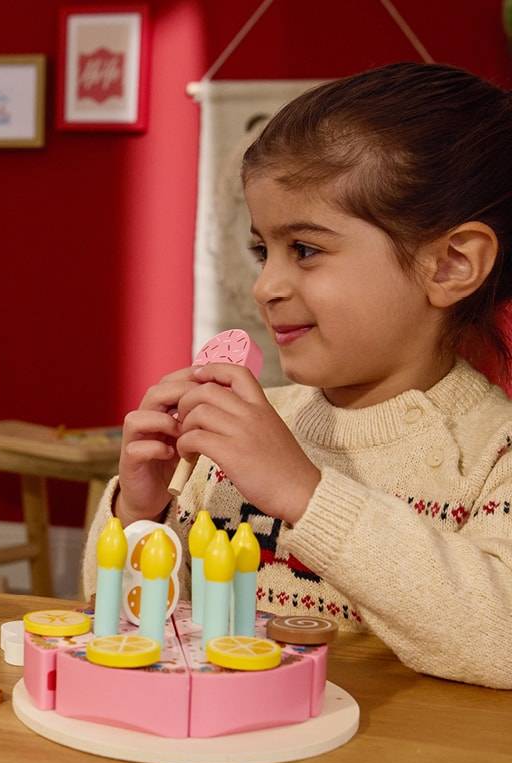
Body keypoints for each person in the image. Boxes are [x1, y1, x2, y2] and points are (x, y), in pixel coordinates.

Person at [84, 63, 512, 689]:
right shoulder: (240, 429)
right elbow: (123, 626)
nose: (264, 287)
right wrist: (140, 512)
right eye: (263, 251)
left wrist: (306, 495)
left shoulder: (495, 452)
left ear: (449, 264)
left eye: (305, 250)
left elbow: (500, 641)